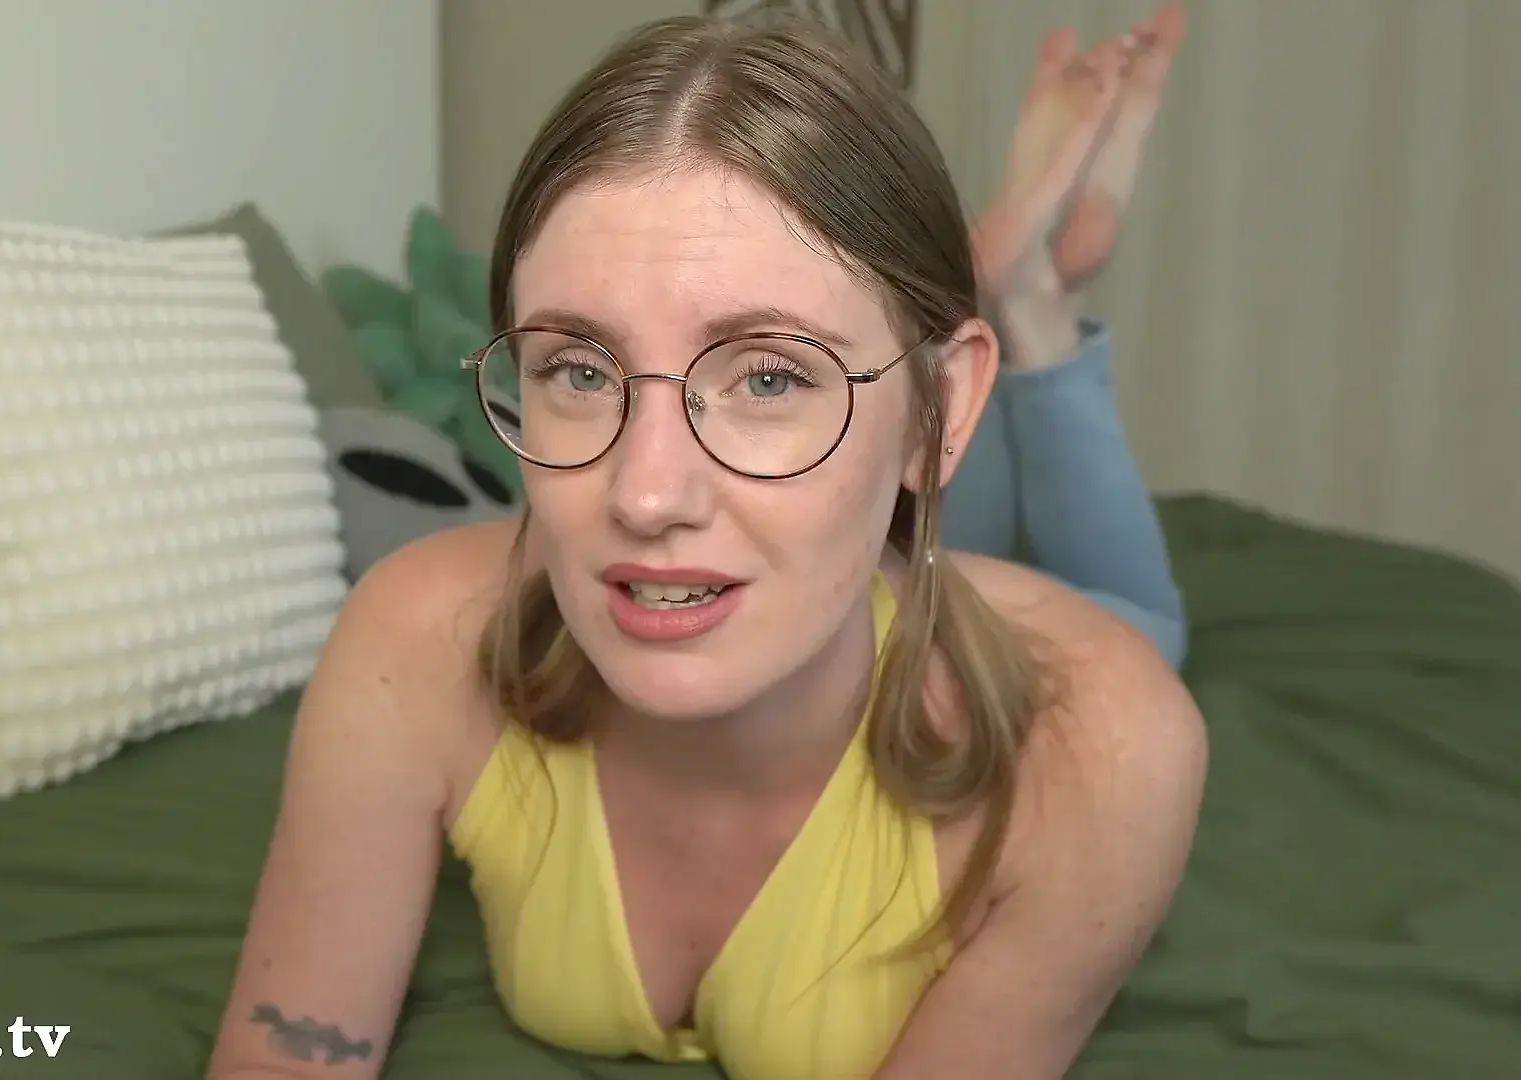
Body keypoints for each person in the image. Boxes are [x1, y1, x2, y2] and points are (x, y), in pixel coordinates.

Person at [207, 11, 1206, 1080]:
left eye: (769, 377)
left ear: (942, 408)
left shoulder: (1103, 752)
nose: (646, 496)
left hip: (1007, 600)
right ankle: (1014, 297)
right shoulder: (412, 644)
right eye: (579, 372)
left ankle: (1037, 317)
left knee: (1141, 614)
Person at [949, 5, 1191, 668]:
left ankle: (1021, 297)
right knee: (1145, 632)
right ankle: (1027, 301)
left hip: (905, 566)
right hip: (908, 582)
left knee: (956, 557)